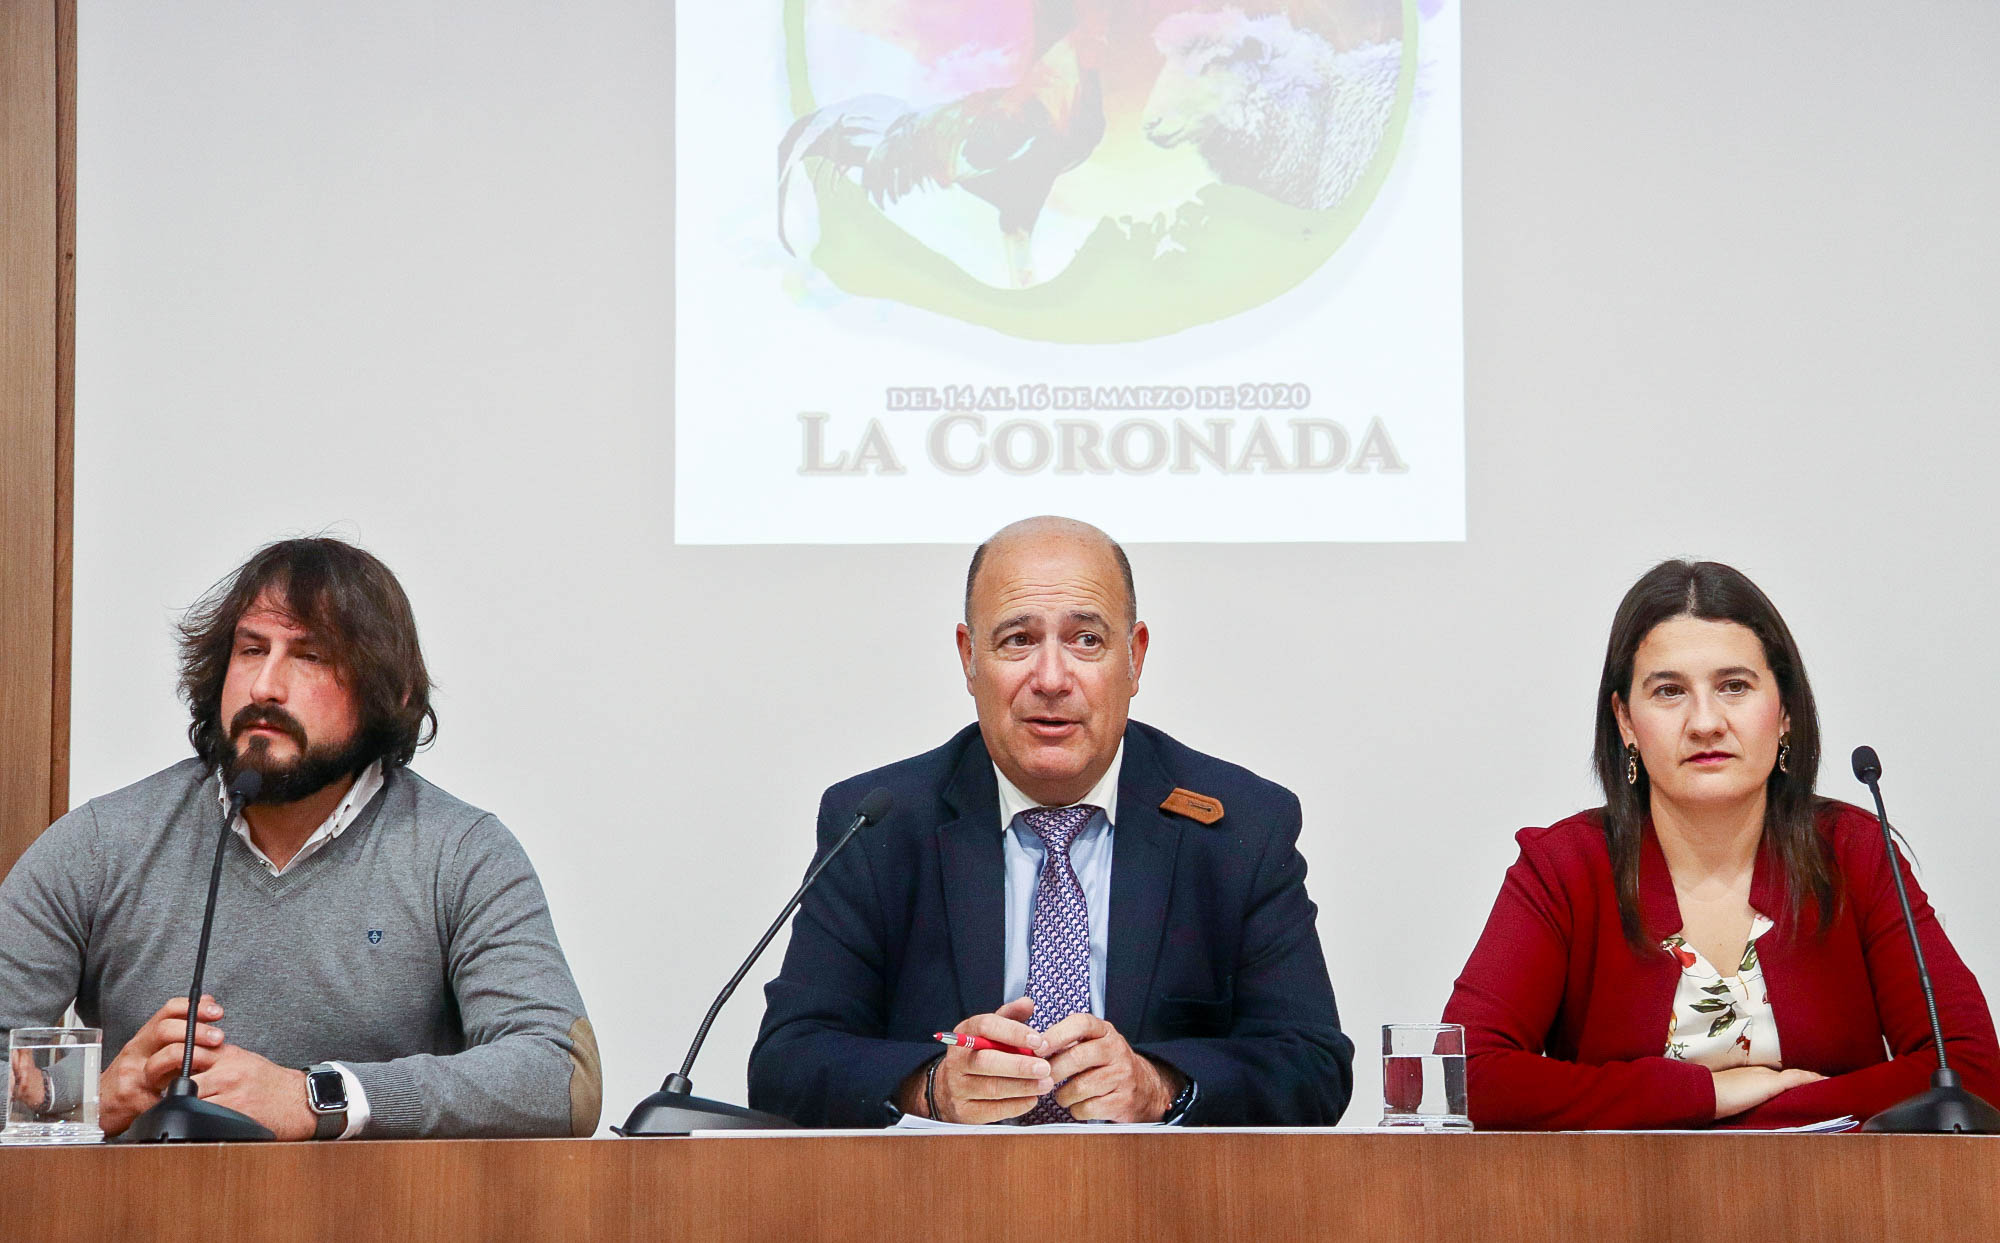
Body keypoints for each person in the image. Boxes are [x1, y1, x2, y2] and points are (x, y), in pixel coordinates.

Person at [748, 516, 1352, 1127]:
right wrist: (931, 1088)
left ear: (1135, 657)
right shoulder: (878, 826)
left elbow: (1312, 1065)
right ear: (969, 657)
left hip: (1160, 1188)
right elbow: (786, 1063)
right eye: (1018, 640)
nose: (1052, 680)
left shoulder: (1240, 828)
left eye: (1086, 640)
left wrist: (1158, 1086)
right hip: (948, 1188)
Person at [0, 538, 601, 1140]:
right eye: (251, 650)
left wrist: (319, 1096)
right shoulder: (101, 845)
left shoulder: (461, 853)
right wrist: (80, 1101)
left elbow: (559, 1075)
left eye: (309, 656)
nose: (264, 686)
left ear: (390, 694)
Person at [1443, 559, 2000, 1129]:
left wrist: (1761, 1108)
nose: (1705, 722)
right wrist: (1705, 1095)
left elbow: (1969, 1070)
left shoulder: (1853, 852)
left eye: (1735, 686)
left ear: (1784, 711)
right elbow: (1468, 1074)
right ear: (1626, 720)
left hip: (1835, 1189)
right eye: (1669, 691)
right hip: (1619, 1190)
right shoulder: (1565, 868)